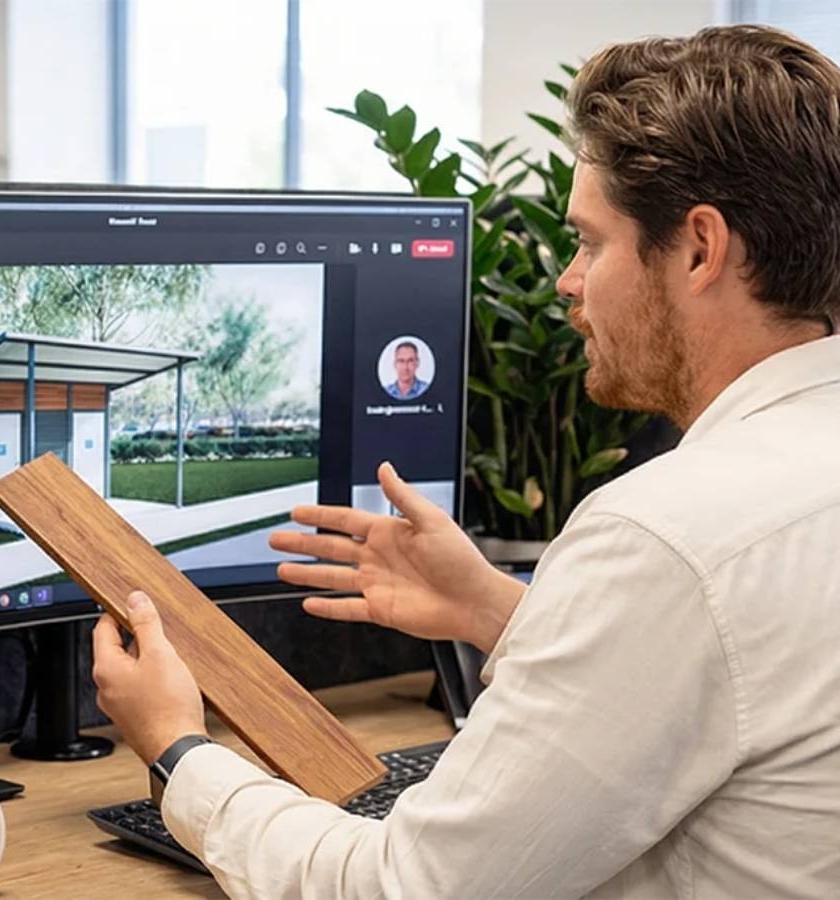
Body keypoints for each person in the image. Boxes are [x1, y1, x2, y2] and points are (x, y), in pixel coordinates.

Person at [92, 24, 840, 898]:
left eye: (590, 242)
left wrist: (178, 749)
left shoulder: (668, 539)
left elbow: (404, 887)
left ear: (701, 249)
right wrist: (498, 609)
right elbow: (739, 681)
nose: (567, 280)